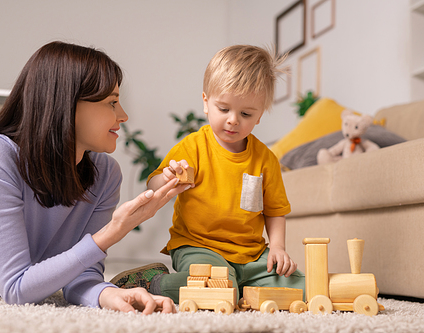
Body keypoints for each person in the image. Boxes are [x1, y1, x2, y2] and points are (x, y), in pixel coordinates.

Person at [0, 41, 190, 314]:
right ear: (67, 104)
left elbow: (81, 274)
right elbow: (16, 288)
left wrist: (109, 294)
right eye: (112, 102)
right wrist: (113, 231)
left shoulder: (106, 175)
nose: (123, 116)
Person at [111, 45, 305, 303]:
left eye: (246, 113)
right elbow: (154, 183)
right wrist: (168, 176)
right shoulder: (193, 147)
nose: (233, 120)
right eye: (224, 109)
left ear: (259, 116)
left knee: (302, 287)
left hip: (250, 255)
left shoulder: (265, 159)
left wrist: (278, 248)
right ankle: (154, 282)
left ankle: (241, 286)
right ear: (206, 102)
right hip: (197, 246)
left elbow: (275, 210)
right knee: (221, 288)